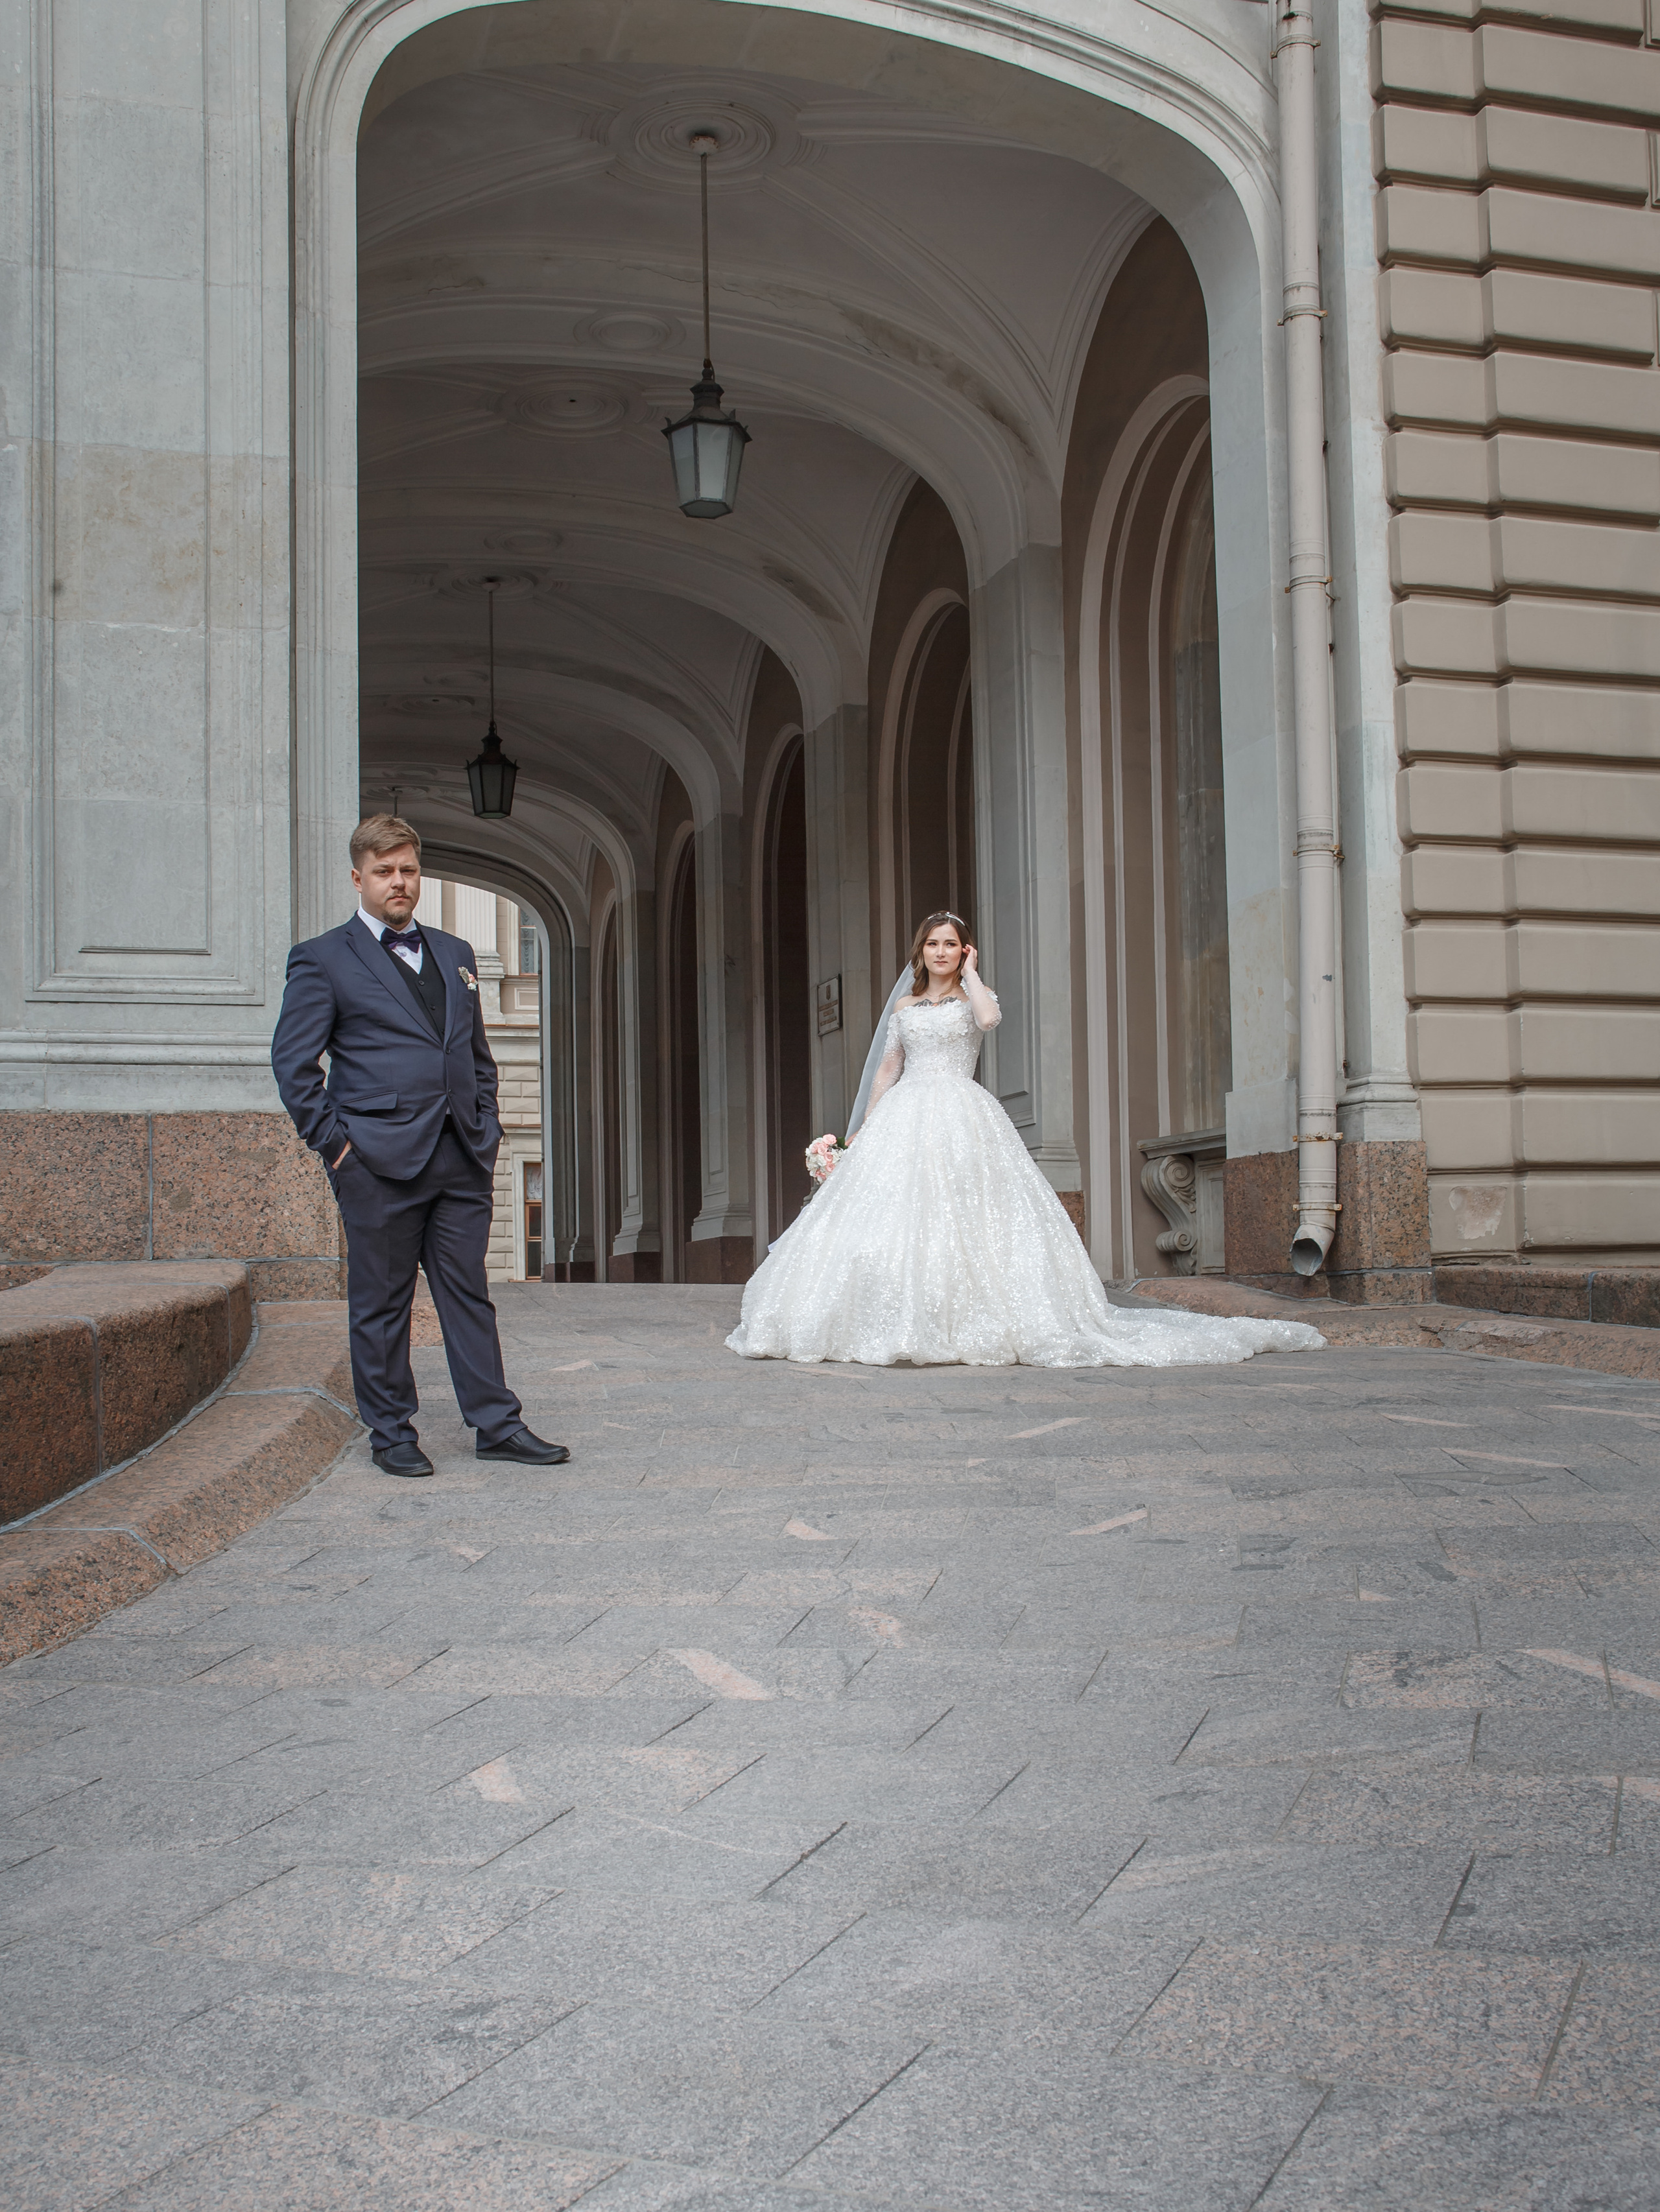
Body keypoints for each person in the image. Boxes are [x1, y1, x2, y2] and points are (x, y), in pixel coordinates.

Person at [727, 912, 1325, 1369]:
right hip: (905, 1112)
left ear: (963, 951)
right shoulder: (906, 1007)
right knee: (894, 1216)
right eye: (933, 944)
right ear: (921, 951)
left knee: (970, 1213)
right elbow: (887, 1070)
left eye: (951, 945)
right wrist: (862, 1129)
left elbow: (988, 1021)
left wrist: (975, 973)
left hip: (961, 1109)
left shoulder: (971, 998)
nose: (940, 952)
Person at [272, 816, 569, 1477]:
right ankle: (392, 1433)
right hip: (375, 1161)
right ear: (359, 879)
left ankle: (496, 1423)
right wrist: (338, 1149)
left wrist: (485, 1130)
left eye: (407, 869)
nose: (398, 882)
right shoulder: (322, 958)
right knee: (382, 1303)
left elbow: (475, 1055)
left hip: (458, 1156)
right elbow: (294, 1066)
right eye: (384, 871)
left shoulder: (455, 952)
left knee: (469, 1293)